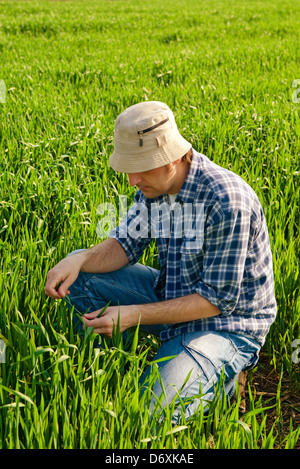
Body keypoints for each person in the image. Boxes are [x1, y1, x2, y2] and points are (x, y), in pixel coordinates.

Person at [45, 101, 277, 421]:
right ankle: (106, 369)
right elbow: (125, 245)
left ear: (173, 157)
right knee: (78, 273)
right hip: (173, 294)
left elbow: (215, 301)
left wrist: (132, 314)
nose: (131, 180)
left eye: (141, 166)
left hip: (226, 323)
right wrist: (81, 258)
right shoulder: (153, 188)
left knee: (149, 417)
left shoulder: (227, 200)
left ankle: (226, 374)